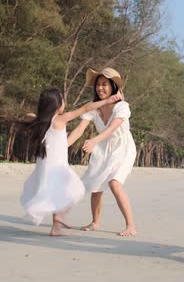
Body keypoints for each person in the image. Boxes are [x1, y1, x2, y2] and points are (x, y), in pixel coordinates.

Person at [20, 87, 122, 236]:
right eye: (62, 100)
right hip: (58, 168)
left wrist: (35, 116)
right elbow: (85, 108)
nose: (64, 103)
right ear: (56, 105)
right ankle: (60, 218)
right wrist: (107, 101)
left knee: (57, 193)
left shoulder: (41, 122)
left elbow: (28, 116)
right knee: (76, 190)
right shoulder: (60, 119)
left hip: (44, 167)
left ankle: (56, 227)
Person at [68, 68, 138, 237]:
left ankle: (131, 225)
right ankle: (95, 222)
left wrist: (93, 141)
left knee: (114, 183)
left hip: (123, 148)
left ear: (113, 86)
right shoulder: (94, 108)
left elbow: (113, 129)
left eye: (104, 84)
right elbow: (78, 131)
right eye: (98, 85)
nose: (100, 88)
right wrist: (62, 146)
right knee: (95, 185)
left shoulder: (122, 106)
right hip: (103, 148)